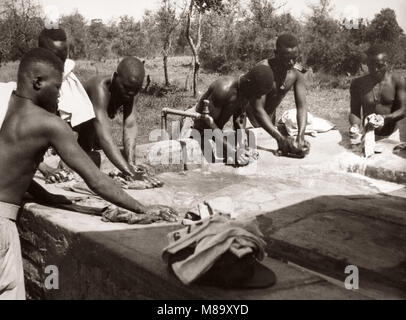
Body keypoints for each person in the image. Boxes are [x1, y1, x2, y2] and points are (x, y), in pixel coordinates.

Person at [0, 48, 175, 300]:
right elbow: (95, 179)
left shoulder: (11, 109)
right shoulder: (49, 124)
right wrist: (142, 209)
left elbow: (16, 167)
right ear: (38, 82)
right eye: (58, 87)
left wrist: (48, 197)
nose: (61, 95)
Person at [77, 57, 162, 187]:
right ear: (115, 77)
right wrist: (130, 173)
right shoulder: (99, 88)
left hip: (94, 139)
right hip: (72, 139)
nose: (130, 93)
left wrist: (131, 163)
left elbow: (130, 125)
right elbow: (104, 137)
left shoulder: (130, 90)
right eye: (126, 87)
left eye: (136, 89)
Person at [181, 65, 275, 166]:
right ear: (249, 83)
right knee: (186, 164)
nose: (258, 97)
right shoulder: (223, 89)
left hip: (214, 129)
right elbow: (208, 123)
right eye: (258, 93)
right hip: (195, 124)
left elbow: (239, 120)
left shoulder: (246, 92)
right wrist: (233, 151)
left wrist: (243, 147)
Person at [37, 28, 96, 182]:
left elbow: (72, 120)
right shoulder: (32, 83)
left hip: (70, 130)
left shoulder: (67, 77)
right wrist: (45, 168)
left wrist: (67, 156)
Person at [248, 33, 310, 157]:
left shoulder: (296, 73)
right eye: (287, 58)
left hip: (270, 121)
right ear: (276, 53)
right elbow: (257, 109)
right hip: (249, 121)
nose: (291, 63)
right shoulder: (263, 70)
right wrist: (280, 139)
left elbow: (302, 107)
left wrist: (300, 136)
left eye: (294, 58)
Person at [349, 44, 406, 142]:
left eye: (379, 66)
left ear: (386, 63)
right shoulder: (357, 84)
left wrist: (385, 118)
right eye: (371, 65)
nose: (375, 70)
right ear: (367, 64)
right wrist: (355, 126)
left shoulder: (398, 81)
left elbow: (403, 110)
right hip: (367, 135)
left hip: (391, 136)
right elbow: (355, 112)